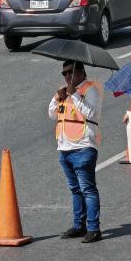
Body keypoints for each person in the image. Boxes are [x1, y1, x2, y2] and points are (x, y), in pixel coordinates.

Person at [48, 60, 103, 243]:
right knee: (75, 190)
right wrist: (58, 97)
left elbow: (92, 113)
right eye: (63, 73)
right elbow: (51, 114)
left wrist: (75, 96)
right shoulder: (64, 91)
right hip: (64, 148)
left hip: (83, 147)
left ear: (80, 72)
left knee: (87, 189)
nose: (66, 77)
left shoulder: (90, 89)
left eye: (69, 72)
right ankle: (79, 225)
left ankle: (94, 228)